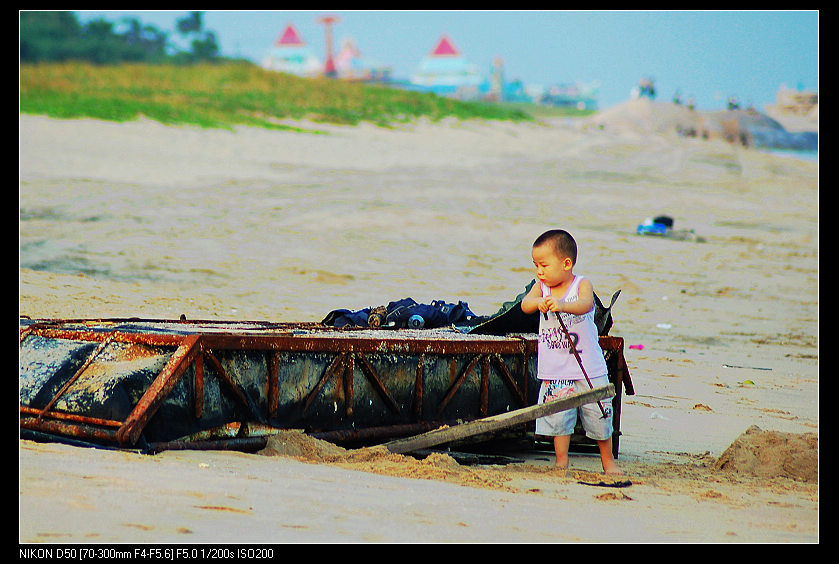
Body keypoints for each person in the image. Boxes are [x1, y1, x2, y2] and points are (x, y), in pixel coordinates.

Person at [520, 229, 622, 475]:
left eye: (544, 265)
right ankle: (561, 461)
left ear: (566, 264)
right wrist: (538, 302)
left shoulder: (581, 284)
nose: (539, 271)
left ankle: (608, 462)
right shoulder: (541, 287)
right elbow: (525, 305)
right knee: (559, 419)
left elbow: (586, 304)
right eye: (536, 265)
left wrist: (563, 304)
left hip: (588, 366)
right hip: (556, 368)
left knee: (599, 414)